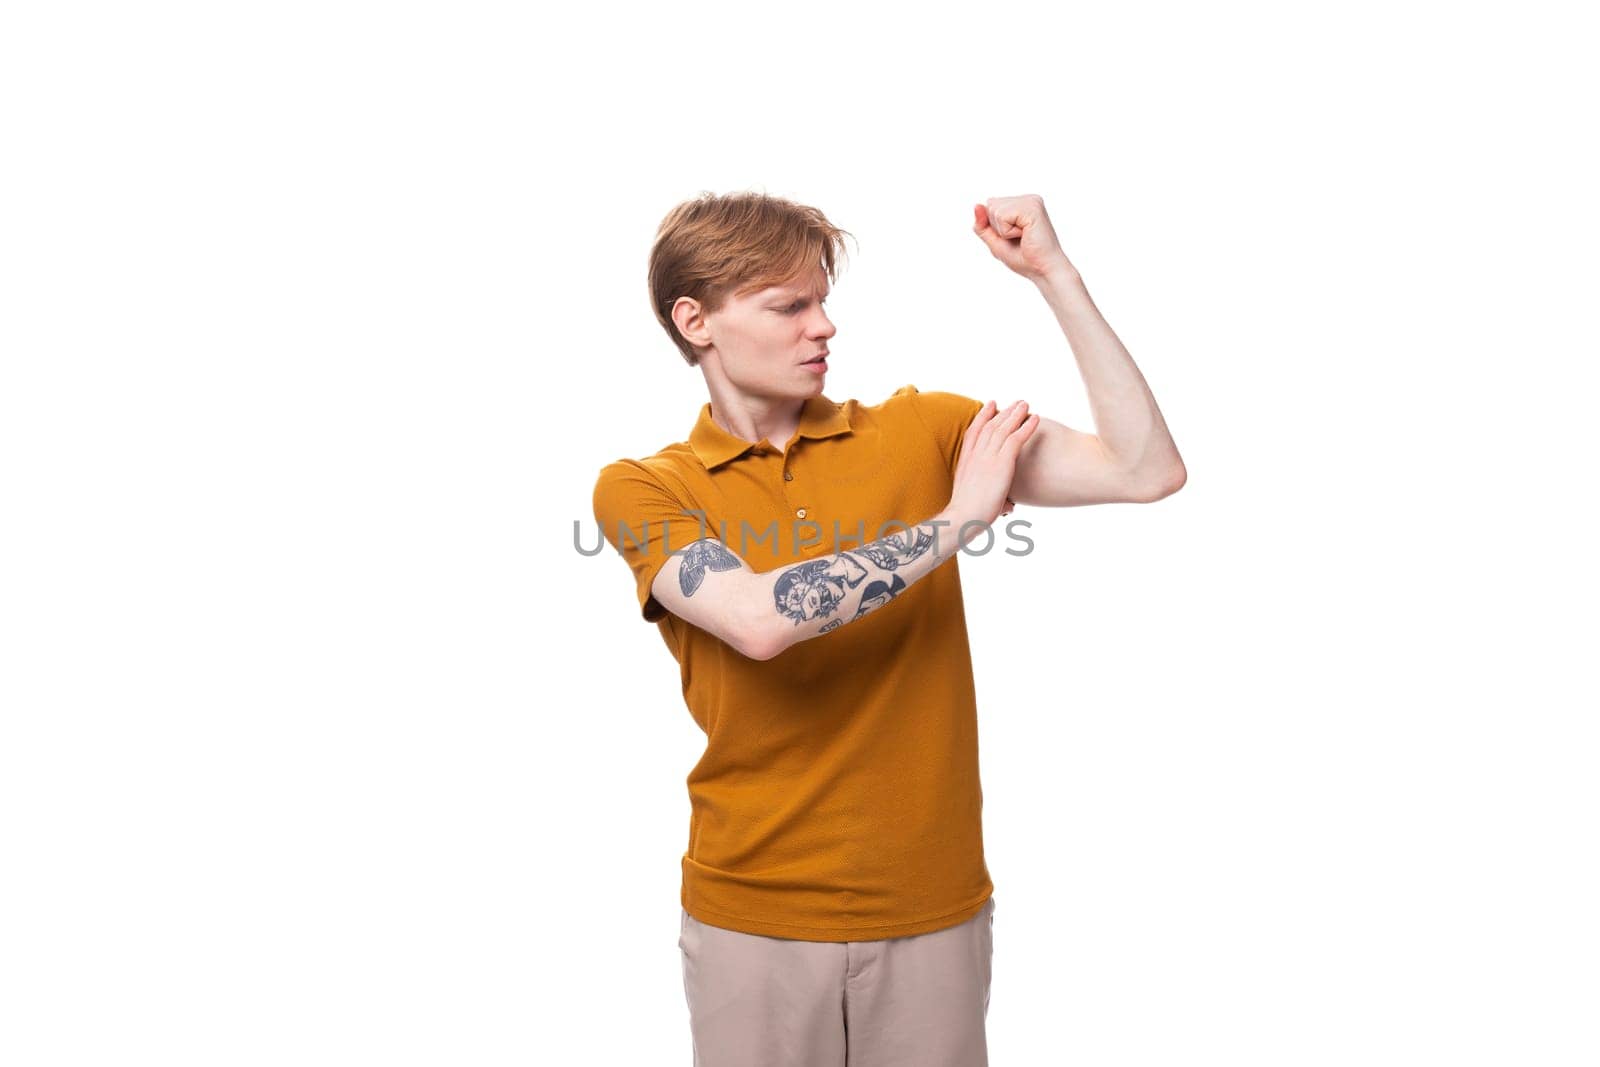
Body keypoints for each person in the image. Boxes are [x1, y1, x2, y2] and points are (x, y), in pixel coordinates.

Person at [591, 190, 1186, 1066]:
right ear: (697, 320)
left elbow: (1146, 470)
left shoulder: (926, 430)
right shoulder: (645, 488)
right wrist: (954, 522)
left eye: (823, 299)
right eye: (789, 305)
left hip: (931, 910)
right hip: (753, 916)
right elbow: (756, 619)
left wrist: (1054, 276)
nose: (822, 326)